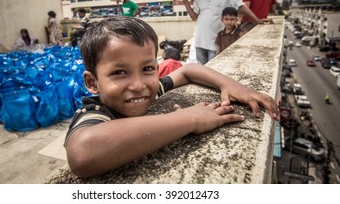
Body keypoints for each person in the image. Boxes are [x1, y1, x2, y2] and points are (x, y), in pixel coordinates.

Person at [64, 17, 279, 178]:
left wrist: (230, 84)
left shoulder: (150, 89)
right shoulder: (95, 114)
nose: (139, 85)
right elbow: (82, 153)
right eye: (120, 72)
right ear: (92, 82)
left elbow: (188, 70)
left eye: (147, 68)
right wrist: (190, 119)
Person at [181, 0, 263, 65]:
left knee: (212, 73)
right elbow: (194, 17)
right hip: (199, 42)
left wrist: (256, 20)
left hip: (215, 44)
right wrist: (185, 1)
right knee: (201, 75)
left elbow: (241, 6)